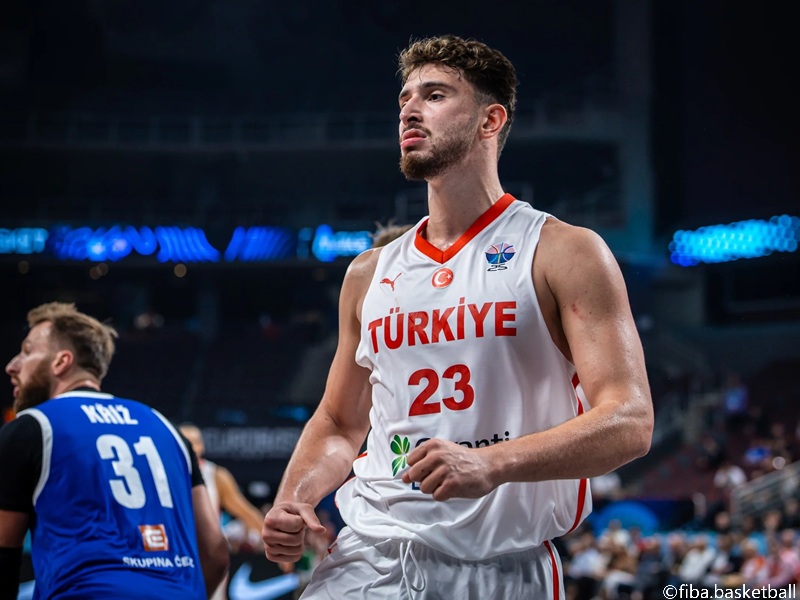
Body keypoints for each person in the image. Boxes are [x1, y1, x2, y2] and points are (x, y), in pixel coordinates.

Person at [262, 34, 653, 598]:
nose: (409, 110)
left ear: (490, 120)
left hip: (505, 566)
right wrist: (292, 499)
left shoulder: (563, 251)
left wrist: (491, 463)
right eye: (405, 98)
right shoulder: (369, 273)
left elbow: (630, 421)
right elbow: (340, 422)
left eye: (435, 95)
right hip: (372, 552)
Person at [0, 302, 229, 599]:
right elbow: (215, 553)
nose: (12, 365)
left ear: (61, 362)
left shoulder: (32, 428)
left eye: (27, 351)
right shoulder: (167, 429)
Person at [179, 423, 268, 600]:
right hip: (178, 552)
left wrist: (273, 544)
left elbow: (246, 513)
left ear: (202, 446)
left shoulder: (216, 475)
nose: (191, 447)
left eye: (195, 442)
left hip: (209, 555)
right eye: (185, 442)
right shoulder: (164, 473)